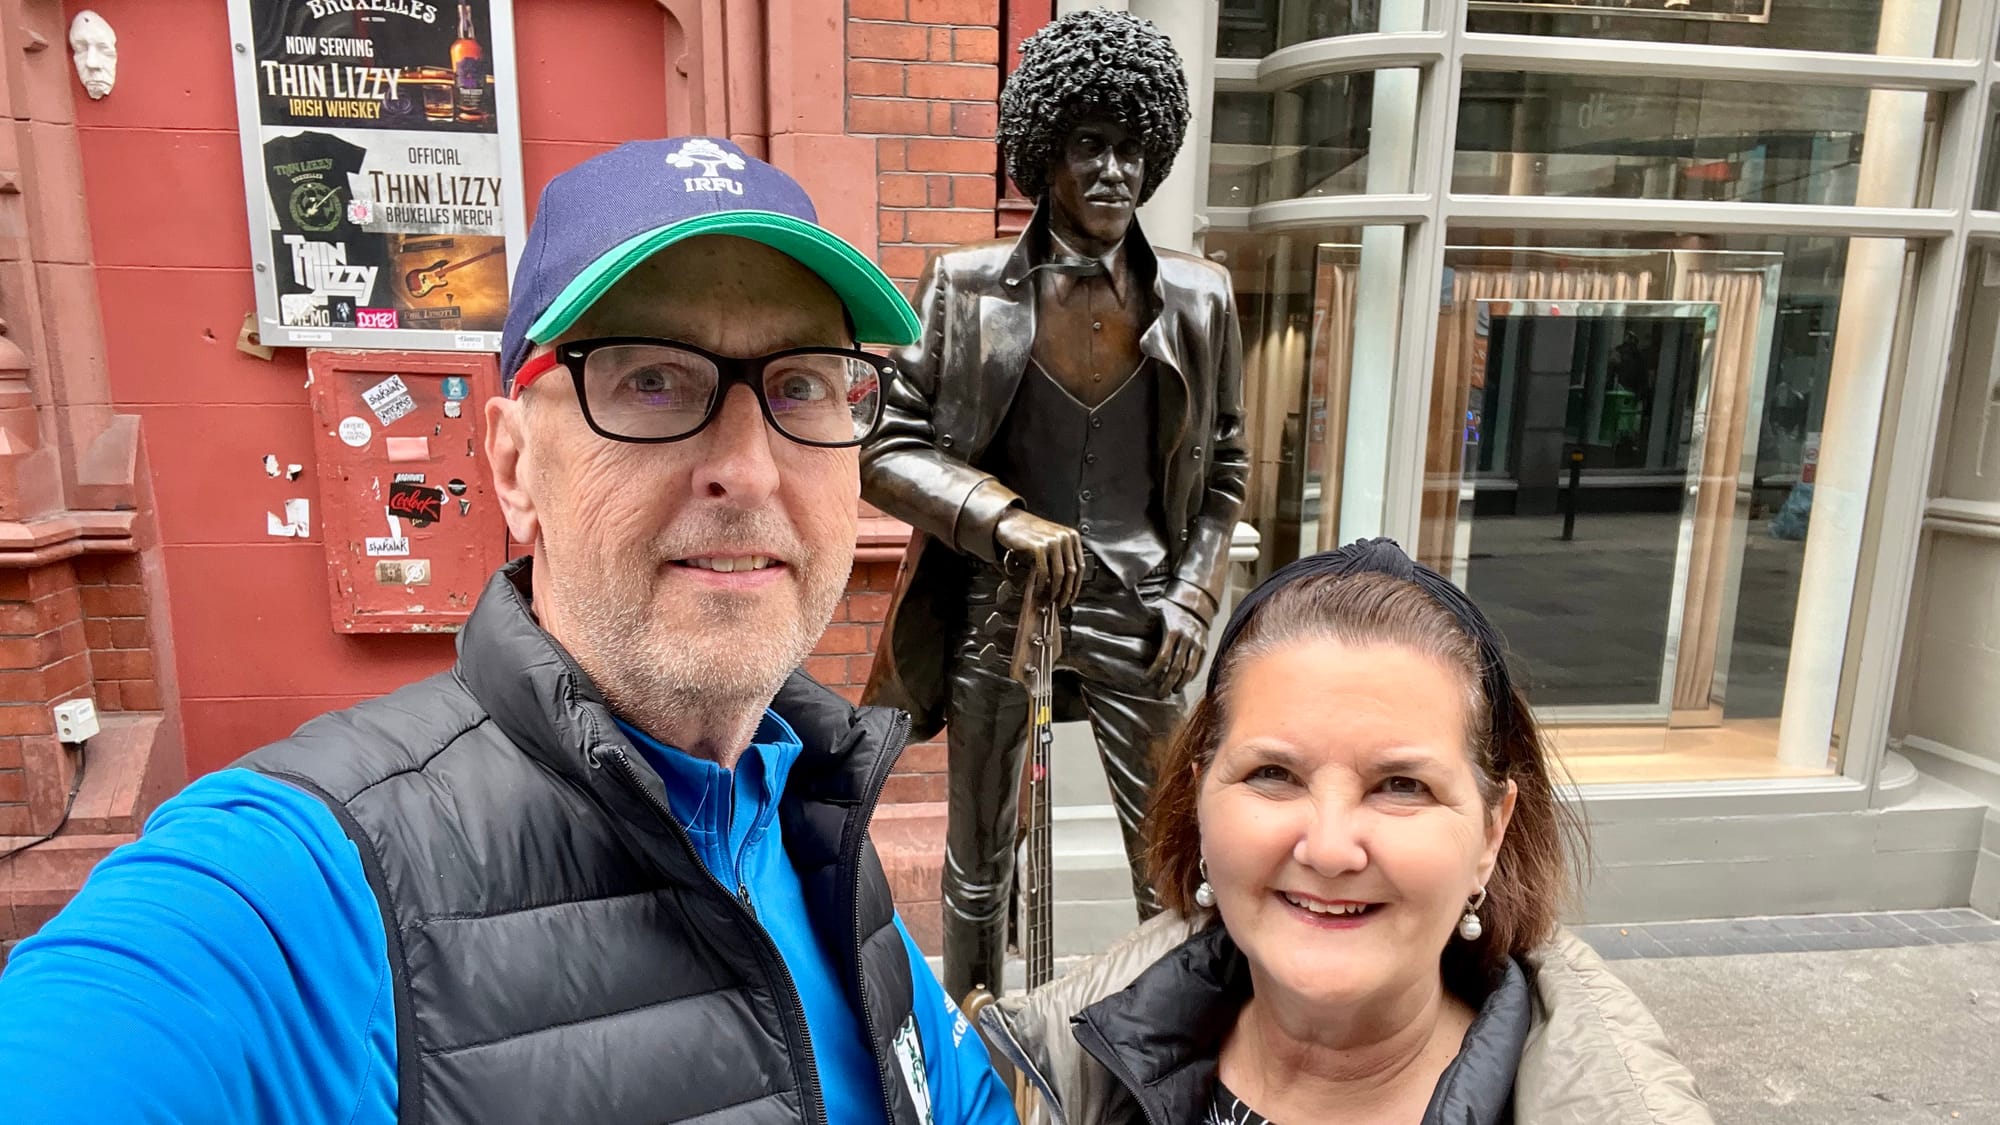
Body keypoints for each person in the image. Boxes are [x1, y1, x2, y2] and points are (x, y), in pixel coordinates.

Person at [0, 137, 1014, 1125]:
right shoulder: (307, 887)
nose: (747, 470)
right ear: (513, 466)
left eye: (799, 385)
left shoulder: (811, 809)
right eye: (650, 381)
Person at [976, 539, 1714, 1124]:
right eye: (1273, 774)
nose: (1329, 848)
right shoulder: (1040, 1078)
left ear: (1492, 832)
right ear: (1201, 799)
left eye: (1402, 785)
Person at [861, 8, 1247, 1003]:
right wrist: (1001, 518)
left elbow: (1226, 474)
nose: (1114, 171)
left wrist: (1193, 601)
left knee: (1171, 857)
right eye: (1088, 147)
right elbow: (887, 451)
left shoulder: (1200, 301)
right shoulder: (963, 289)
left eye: (1131, 149)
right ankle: (975, 1036)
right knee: (978, 854)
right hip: (1001, 604)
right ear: (1043, 156)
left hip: (1143, 609)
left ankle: (1170, 1035)